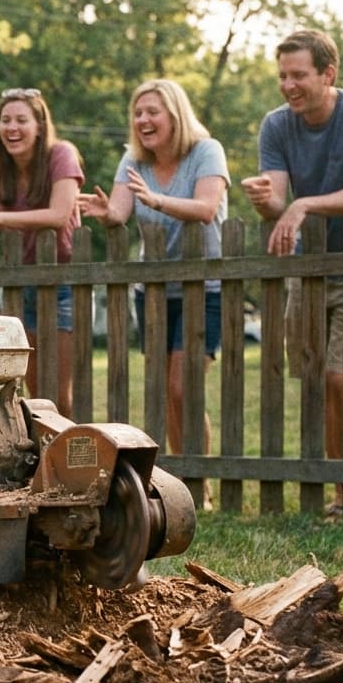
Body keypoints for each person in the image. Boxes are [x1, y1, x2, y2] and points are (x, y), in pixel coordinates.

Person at [241, 30, 343, 514]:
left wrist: (302, 204)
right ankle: (329, 484)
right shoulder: (276, 126)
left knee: (340, 377)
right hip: (307, 270)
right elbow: (280, 205)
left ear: (328, 74)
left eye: (298, 75)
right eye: (282, 75)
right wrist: (270, 204)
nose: (288, 85)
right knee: (311, 375)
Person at [77, 79, 226, 503]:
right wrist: (106, 214)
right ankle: (177, 480)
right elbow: (121, 211)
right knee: (162, 393)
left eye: (152, 112)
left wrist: (157, 200)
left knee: (184, 388)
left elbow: (207, 208)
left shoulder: (206, 151)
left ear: (175, 115)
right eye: (137, 113)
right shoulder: (134, 159)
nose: (143, 120)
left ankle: (200, 482)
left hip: (203, 287)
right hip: (155, 292)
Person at [0, 88, 85, 418]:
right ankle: (40, 465)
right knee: (33, 392)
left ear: (39, 125)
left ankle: (66, 462)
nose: (12, 128)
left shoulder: (61, 154)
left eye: (21, 120)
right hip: (17, 285)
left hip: (61, 283)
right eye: (5, 120)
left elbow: (59, 214)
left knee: (59, 394)